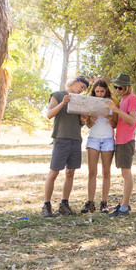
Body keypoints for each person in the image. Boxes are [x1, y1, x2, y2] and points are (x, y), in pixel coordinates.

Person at [42, 75, 89, 218]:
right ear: (75, 82)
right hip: (61, 139)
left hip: (76, 140)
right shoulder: (57, 95)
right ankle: (46, 205)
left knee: (70, 173)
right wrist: (63, 103)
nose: (82, 90)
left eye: (84, 89)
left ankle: (64, 204)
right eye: (81, 87)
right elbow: (49, 114)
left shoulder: (80, 100)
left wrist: (83, 120)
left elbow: (80, 123)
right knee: (54, 172)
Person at [81, 80, 120, 214]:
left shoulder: (113, 102)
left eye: (102, 91)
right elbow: (87, 124)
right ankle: (90, 202)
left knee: (106, 173)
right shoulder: (90, 101)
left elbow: (116, 124)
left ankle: (104, 203)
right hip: (93, 139)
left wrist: (110, 119)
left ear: (106, 91)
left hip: (108, 139)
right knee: (92, 172)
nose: (99, 94)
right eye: (97, 91)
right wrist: (91, 120)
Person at [107, 73, 136, 216]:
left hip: (127, 141)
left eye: (120, 87)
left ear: (126, 87)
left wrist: (117, 110)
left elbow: (132, 120)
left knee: (126, 173)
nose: (117, 90)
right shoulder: (123, 99)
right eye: (115, 87)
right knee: (123, 173)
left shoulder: (132, 98)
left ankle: (125, 207)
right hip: (119, 140)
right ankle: (124, 203)